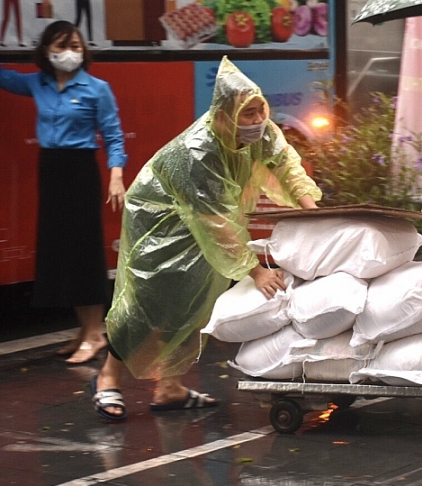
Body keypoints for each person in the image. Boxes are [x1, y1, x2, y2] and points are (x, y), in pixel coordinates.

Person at [90, 56, 321, 421]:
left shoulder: (263, 132)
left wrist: (314, 211)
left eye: (261, 110)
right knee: (151, 298)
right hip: (160, 217)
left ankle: (169, 387)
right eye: (248, 114)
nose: (258, 120)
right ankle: (107, 377)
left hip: (204, 216)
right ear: (224, 115)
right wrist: (255, 270)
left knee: (195, 296)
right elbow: (215, 222)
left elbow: (287, 168)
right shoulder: (197, 151)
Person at [0, 20, 127, 364]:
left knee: (84, 251)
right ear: (46, 51)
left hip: (80, 171)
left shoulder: (96, 88)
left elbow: (114, 136)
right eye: (60, 46)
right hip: (51, 170)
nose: (69, 53)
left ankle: (97, 332)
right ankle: (83, 329)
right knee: (61, 251)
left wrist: (116, 176)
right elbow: (5, 77)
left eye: (75, 46)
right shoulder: (37, 84)